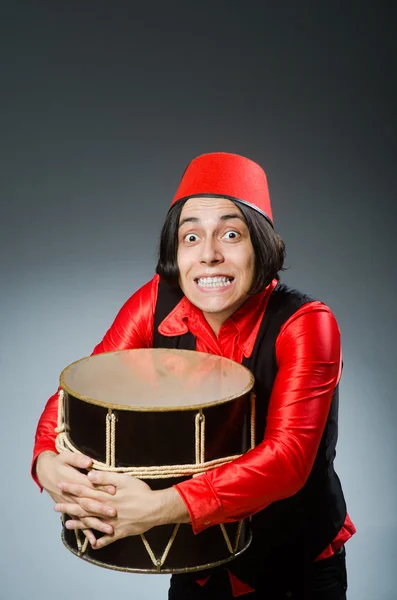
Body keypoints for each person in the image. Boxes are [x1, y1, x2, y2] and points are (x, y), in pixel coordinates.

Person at [32, 152, 356, 599]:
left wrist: (158, 506)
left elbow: (288, 460)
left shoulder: (306, 323)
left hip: (296, 566)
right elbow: (76, 396)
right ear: (175, 250)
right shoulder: (154, 302)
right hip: (197, 561)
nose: (208, 255)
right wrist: (48, 462)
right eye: (190, 237)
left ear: (261, 245)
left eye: (230, 233)